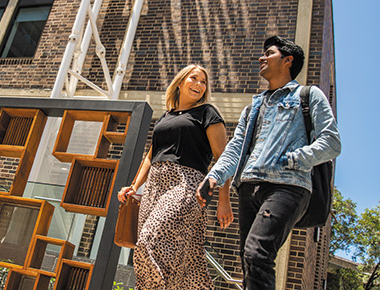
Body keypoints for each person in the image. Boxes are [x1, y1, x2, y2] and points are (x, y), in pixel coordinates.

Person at [198, 36, 341, 289]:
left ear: (288, 60)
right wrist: (214, 176)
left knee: (257, 253)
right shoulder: (253, 107)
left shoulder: (308, 95)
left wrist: (296, 158)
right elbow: (236, 148)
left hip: (286, 186)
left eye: (269, 53)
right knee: (248, 261)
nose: (261, 58)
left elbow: (331, 142)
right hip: (248, 187)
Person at [117, 64, 234, 289]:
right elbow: (151, 157)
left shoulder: (207, 113)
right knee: (186, 261)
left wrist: (224, 199)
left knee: (149, 240)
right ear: (180, 82)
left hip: (186, 184)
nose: (200, 85)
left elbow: (223, 157)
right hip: (154, 187)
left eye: (204, 82)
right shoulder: (166, 117)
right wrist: (134, 186)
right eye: (194, 79)